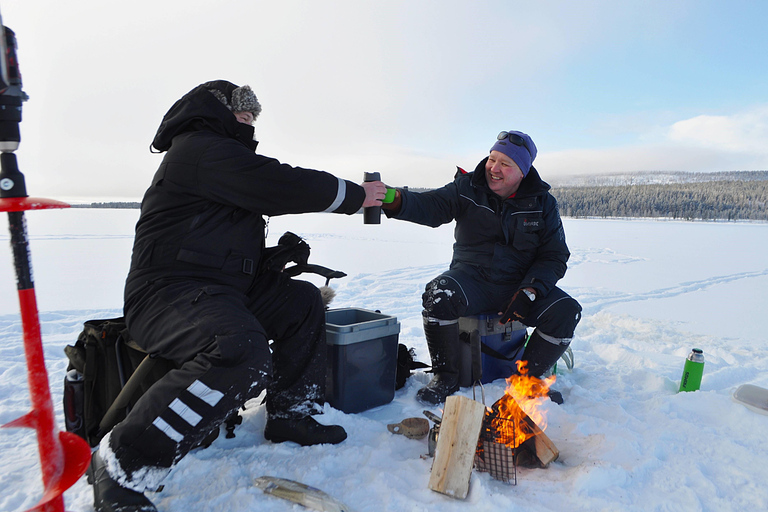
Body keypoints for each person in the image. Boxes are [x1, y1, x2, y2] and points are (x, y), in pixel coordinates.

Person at [88, 80, 388, 512]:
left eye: (252, 117)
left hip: (221, 288)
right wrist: (354, 196)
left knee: (302, 302)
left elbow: (219, 237)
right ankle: (123, 460)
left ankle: (290, 414)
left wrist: (266, 259)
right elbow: (277, 183)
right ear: (215, 111)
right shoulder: (198, 149)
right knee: (239, 350)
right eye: (241, 115)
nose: (248, 123)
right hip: (166, 293)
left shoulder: (221, 158)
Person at [382, 130, 581, 406]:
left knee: (566, 312)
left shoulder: (543, 204)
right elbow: (430, 205)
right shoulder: (467, 188)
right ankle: (446, 378)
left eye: (505, 164)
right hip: (471, 280)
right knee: (440, 294)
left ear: (522, 172)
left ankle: (528, 380)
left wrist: (531, 290)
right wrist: (393, 198)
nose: (494, 168)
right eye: (492, 158)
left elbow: (555, 255)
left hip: (519, 285)